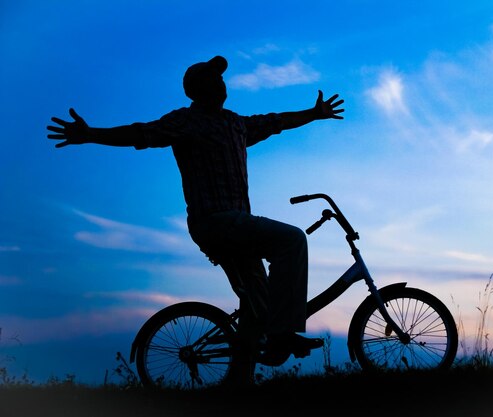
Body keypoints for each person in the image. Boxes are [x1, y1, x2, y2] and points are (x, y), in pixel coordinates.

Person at [47, 55, 344, 378]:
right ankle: (283, 331)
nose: (222, 85)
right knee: (292, 239)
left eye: (222, 80)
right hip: (215, 222)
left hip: (237, 226)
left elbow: (275, 121)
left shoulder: (235, 124)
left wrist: (314, 114)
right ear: (199, 89)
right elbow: (139, 134)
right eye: (215, 81)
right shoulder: (186, 122)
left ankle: (240, 383)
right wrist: (91, 134)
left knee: (256, 304)